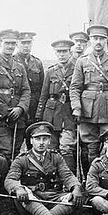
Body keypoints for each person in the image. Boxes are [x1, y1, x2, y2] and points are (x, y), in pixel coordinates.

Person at [69, 25, 108, 169]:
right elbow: (75, 87)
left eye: (102, 39)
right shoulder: (82, 61)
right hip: (87, 110)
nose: (98, 42)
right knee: (90, 148)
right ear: (90, 40)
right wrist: (76, 108)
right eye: (95, 38)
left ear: (106, 40)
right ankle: (90, 179)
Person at [4, 121, 83, 215]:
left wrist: (76, 188)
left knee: (73, 199)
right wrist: (18, 188)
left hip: (53, 196)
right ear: (31, 140)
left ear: (49, 140)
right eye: (37, 139)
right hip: (31, 198)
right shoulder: (22, 159)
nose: (41, 143)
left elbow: (67, 175)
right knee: (25, 194)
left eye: (45, 139)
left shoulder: (56, 157)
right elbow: (10, 179)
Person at [0, 29, 31, 161]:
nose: (10, 46)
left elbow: (26, 90)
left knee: (15, 152)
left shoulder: (19, 67)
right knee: (6, 152)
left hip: (18, 117)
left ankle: (11, 181)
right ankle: (0, 181)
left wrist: (20, 108)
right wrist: (6, 112)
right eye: (7, 43)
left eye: (13, 43)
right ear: (0, 43)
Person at [35, 40, 77, 169]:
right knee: (51, 147)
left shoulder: (76, 69)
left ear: (70, 52)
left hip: (68, 113)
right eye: (59, 52)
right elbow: (43, 95)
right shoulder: (51, 71)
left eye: (64, 51)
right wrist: (39, 115)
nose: (62, 55)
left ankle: (69, 178)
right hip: (51, 113)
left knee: (67, 146)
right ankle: (52, 178)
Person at [14, 31, 44, 129]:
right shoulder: (13, 61)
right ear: (17, 44)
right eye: (23, 43)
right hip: (19, 104)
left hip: (34, 106)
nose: (26, 46)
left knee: (34, 134)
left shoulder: (37, 63)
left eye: (29, 43)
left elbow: (42, 88)